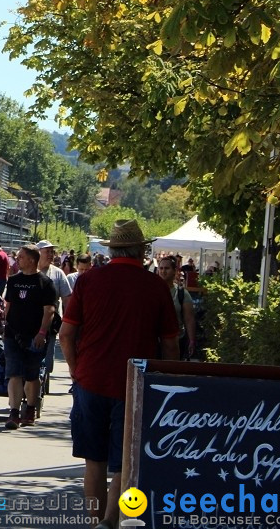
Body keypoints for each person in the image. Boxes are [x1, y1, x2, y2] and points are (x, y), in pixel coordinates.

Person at [60, 220, 179, 528]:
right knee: (123, 463)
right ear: (142, 250)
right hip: (135, 385)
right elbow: (169, 344)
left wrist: (76, 371)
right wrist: (166, 383)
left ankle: (94, 520)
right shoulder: (156, 286)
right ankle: (111, 522)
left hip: (90, 379)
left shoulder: (88, 281)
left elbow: (66, 334)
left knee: (94, 462)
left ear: (112, 250)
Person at [2, 244, 55, 430]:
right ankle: (14, 412)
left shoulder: (45, 283)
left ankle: (30, 408)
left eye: (21, 257)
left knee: (32, 375)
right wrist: (5, 325)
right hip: (13, 335)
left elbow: (49, 310)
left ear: (32, 260)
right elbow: (8, 305)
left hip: (35, 337)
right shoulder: (14, 281)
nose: (17, 259)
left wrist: (42, 332)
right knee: (14, 373)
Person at [35, 239, 72, 380]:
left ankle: (43, 379)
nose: (51, 254)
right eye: (47, 252)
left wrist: (69, 322)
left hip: (50, 322)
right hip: (28, 321)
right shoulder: (28, 271)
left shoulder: (58, 274)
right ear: (38, 254)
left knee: (47, 359)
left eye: (52, 251)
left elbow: (67, 299)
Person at [157, 255, 197, 360]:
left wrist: (192, 341)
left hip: (176, 341)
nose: (163, 271)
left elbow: (189, 319)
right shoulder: (151, 291)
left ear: (175, 271)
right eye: (161, 268)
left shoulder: (182, 293)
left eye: (167, 268)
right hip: (154, 342)